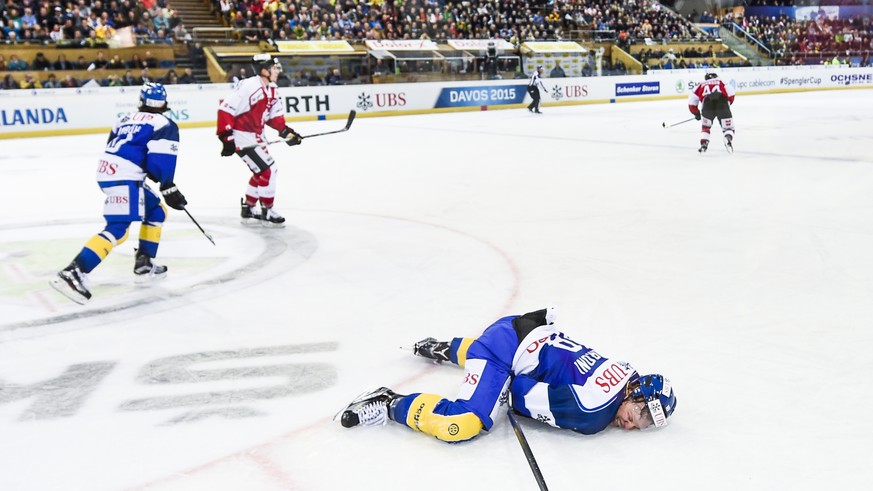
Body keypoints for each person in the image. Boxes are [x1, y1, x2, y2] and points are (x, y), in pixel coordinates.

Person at [338, 307, 677, 442]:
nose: (634, 424)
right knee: (465, 423)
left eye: (646, 423)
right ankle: (387, 401)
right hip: (501, 350)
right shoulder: (594, 413)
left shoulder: (626, 371)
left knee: (503, 361)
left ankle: (444, 347)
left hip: (526, 327)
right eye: (639, 413)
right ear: (635, 393)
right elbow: (519, 396)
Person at [49, 83, 187, 305]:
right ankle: (74, 271)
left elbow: (120, 147)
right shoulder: (164, 123)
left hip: (109, 172)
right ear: (164, 104)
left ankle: (144, 262)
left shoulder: (122, 119)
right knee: (118, 229)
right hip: (126, 177)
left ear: (141, 101)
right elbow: (159, 161)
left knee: (156, 210)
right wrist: (168, 185)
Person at [217, 54, 302, 227]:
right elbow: (225, 109)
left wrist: (287, 133)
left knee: (261, 171)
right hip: (242, 137)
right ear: (264, 70)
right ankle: (267, 209)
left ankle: (248, 207)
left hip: (256, 136)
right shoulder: (250, 86)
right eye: (274, 68)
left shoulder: (272, 89)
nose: (277, 71)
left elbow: (273, 117)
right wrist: (227, 138)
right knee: (268, 170)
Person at [688, 72, 736, 153]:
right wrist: (727, 105)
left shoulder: (700, 85)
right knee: (728, 128)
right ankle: (727, 137)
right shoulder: (721, 81)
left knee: (706, 127)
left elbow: (692, 102)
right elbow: (731, 94)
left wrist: (696, 113)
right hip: (722, 102)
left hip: (707, 105)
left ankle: (704, 143)